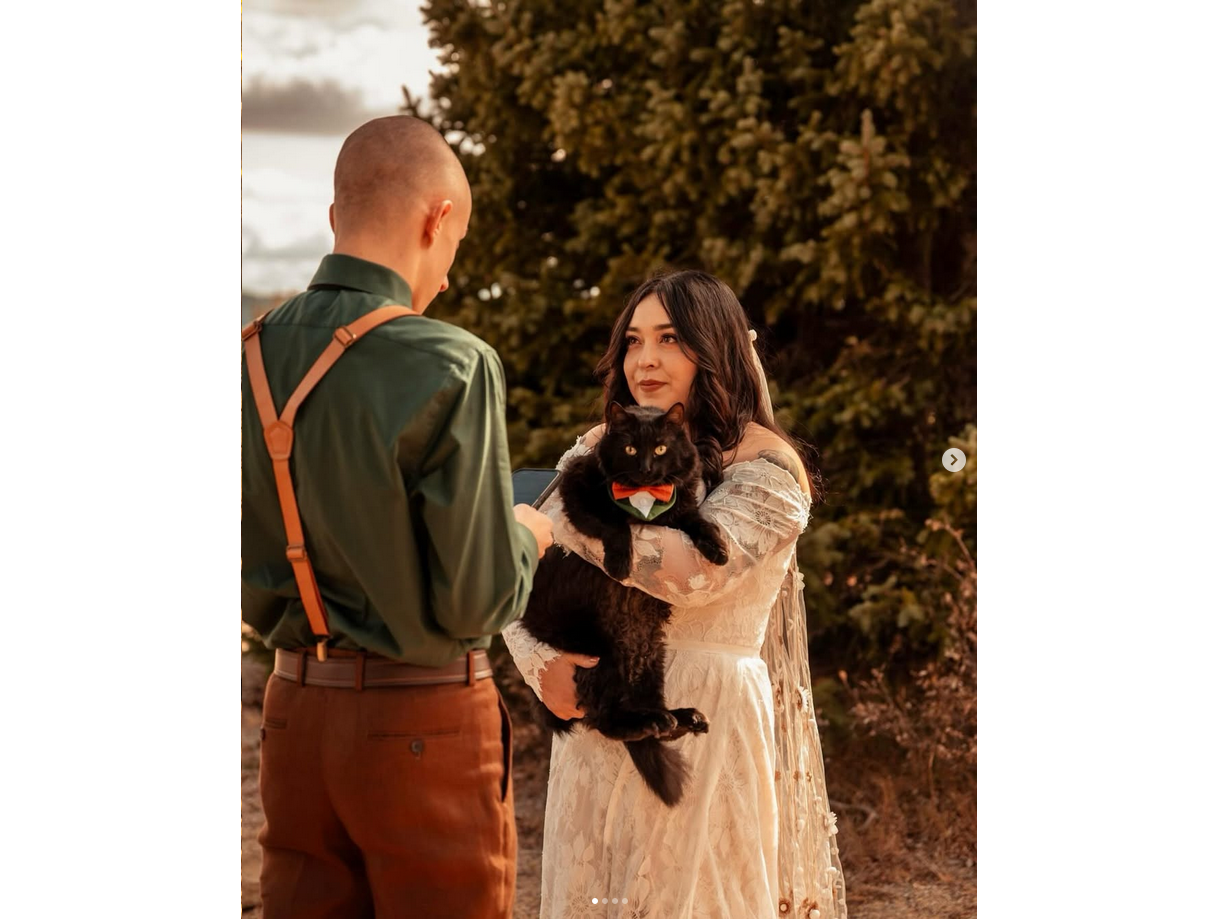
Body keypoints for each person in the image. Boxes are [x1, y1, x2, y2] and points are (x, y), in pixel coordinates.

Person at [241, 115, 554, 919]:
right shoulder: (449, 361)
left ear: (336, 216)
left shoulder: (247, 355)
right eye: (454, 251)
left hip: (292, 717)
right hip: (423, 725)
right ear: (437, 220)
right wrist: (529, 533)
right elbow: (479, 599)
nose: (446, 280)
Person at [502, 270, 847, 918]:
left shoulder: (768, 469)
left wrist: (556, 515)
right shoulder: (601, 445)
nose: (645, 359)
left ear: (711, 347)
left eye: (668, 338)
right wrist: (537, 663)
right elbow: (514, 571)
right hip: (598, 715)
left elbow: (689, 574)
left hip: (702, 717)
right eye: (633, 341)